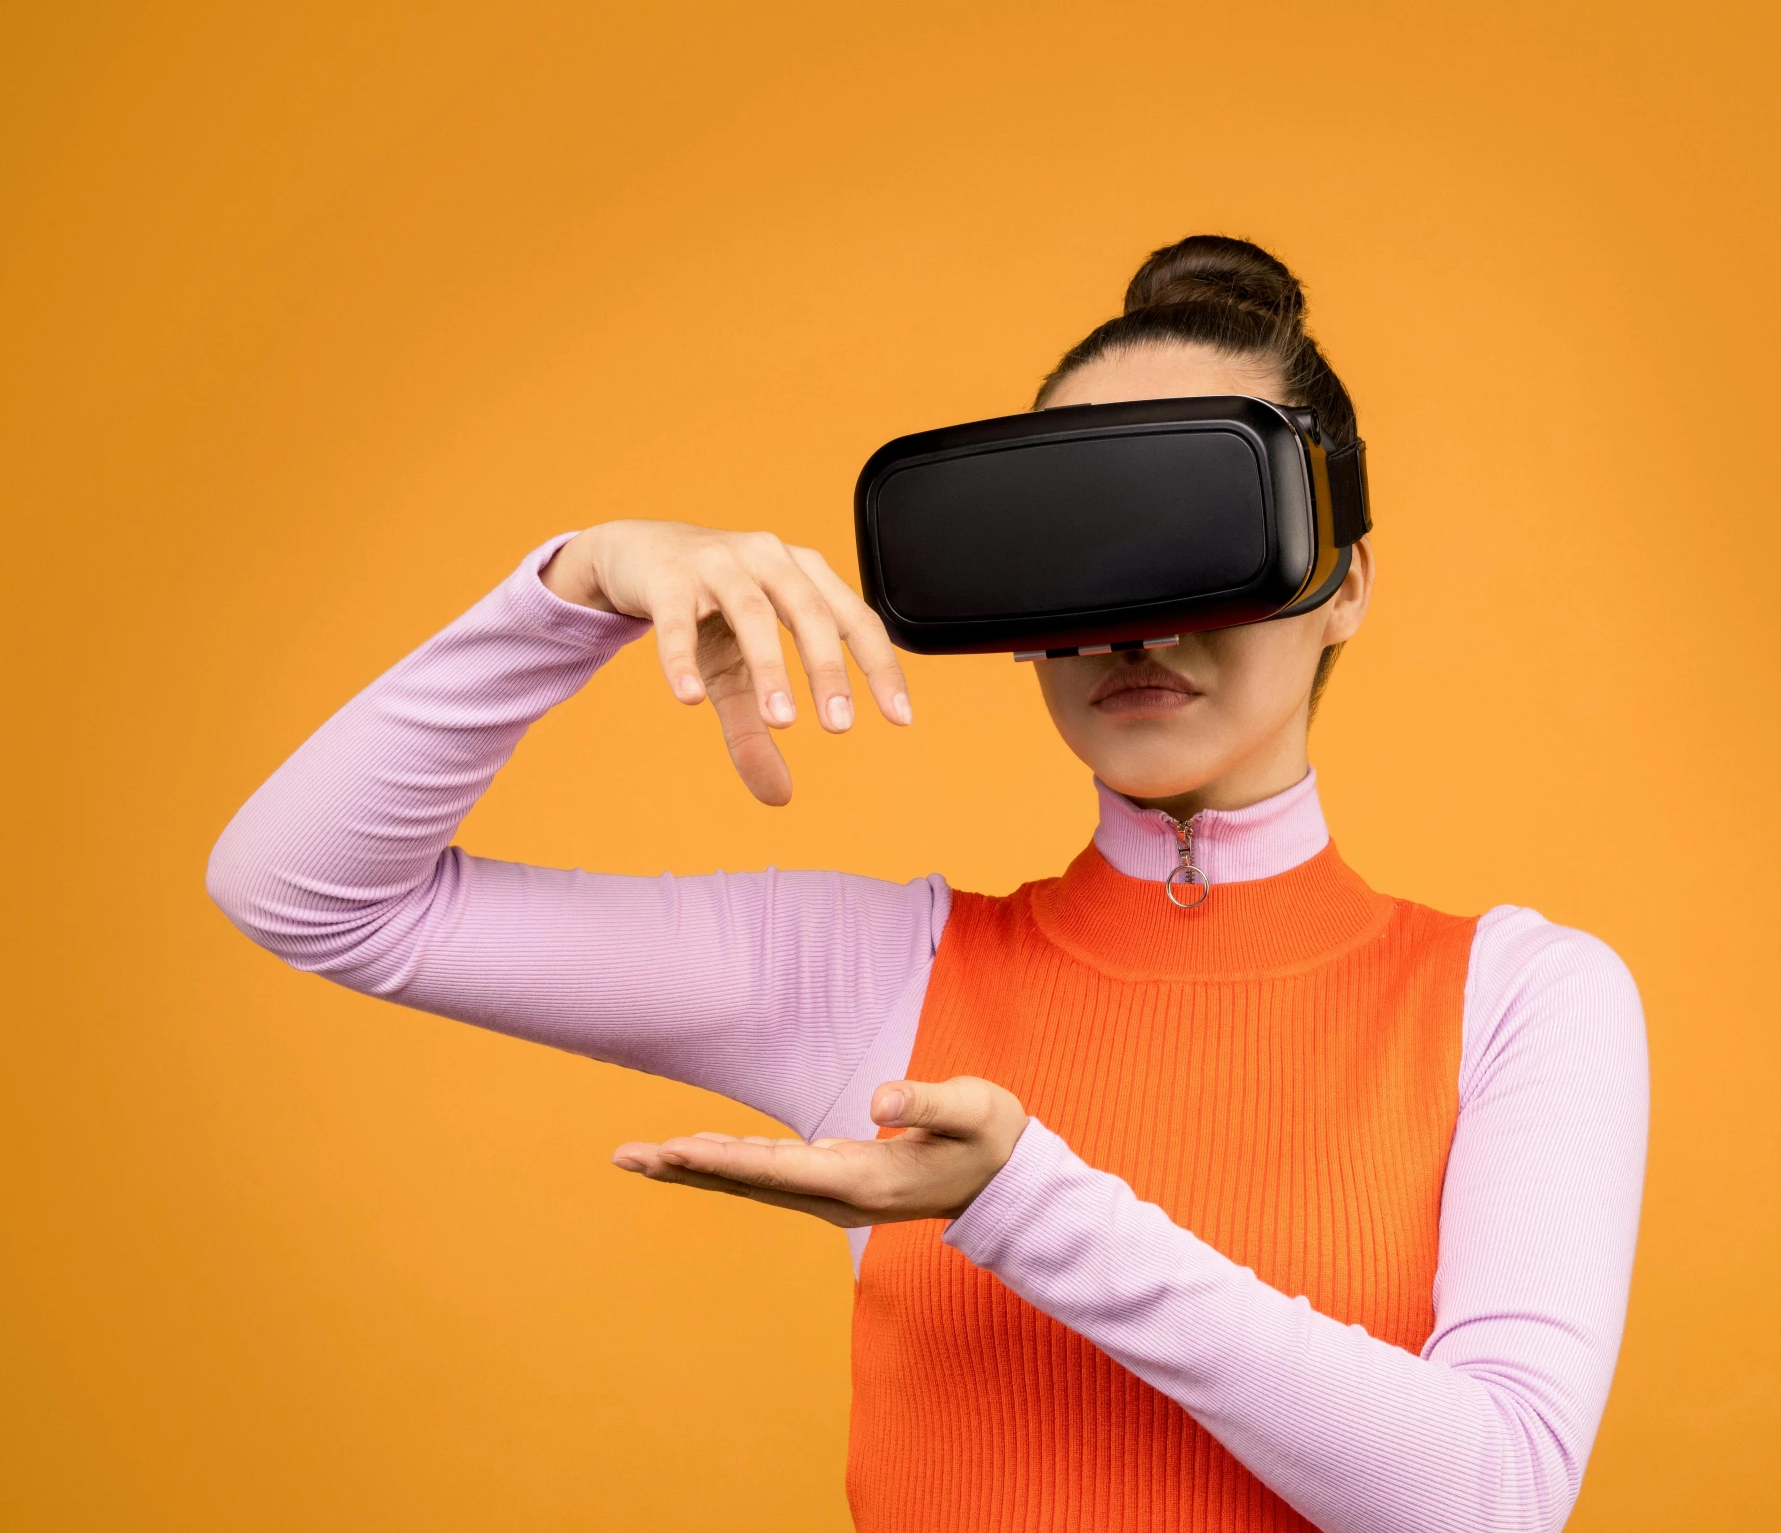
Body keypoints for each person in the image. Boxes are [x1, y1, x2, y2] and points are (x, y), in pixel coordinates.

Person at [208, 235, 1650, 1532]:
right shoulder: (872, 976)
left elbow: (1490, 1498)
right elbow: (308, 890)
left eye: (1191, 525)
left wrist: (1024, 1201)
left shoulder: (1521, 999)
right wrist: (576, 583)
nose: (1132, 622)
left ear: (1343, 581)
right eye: (1078, 544)